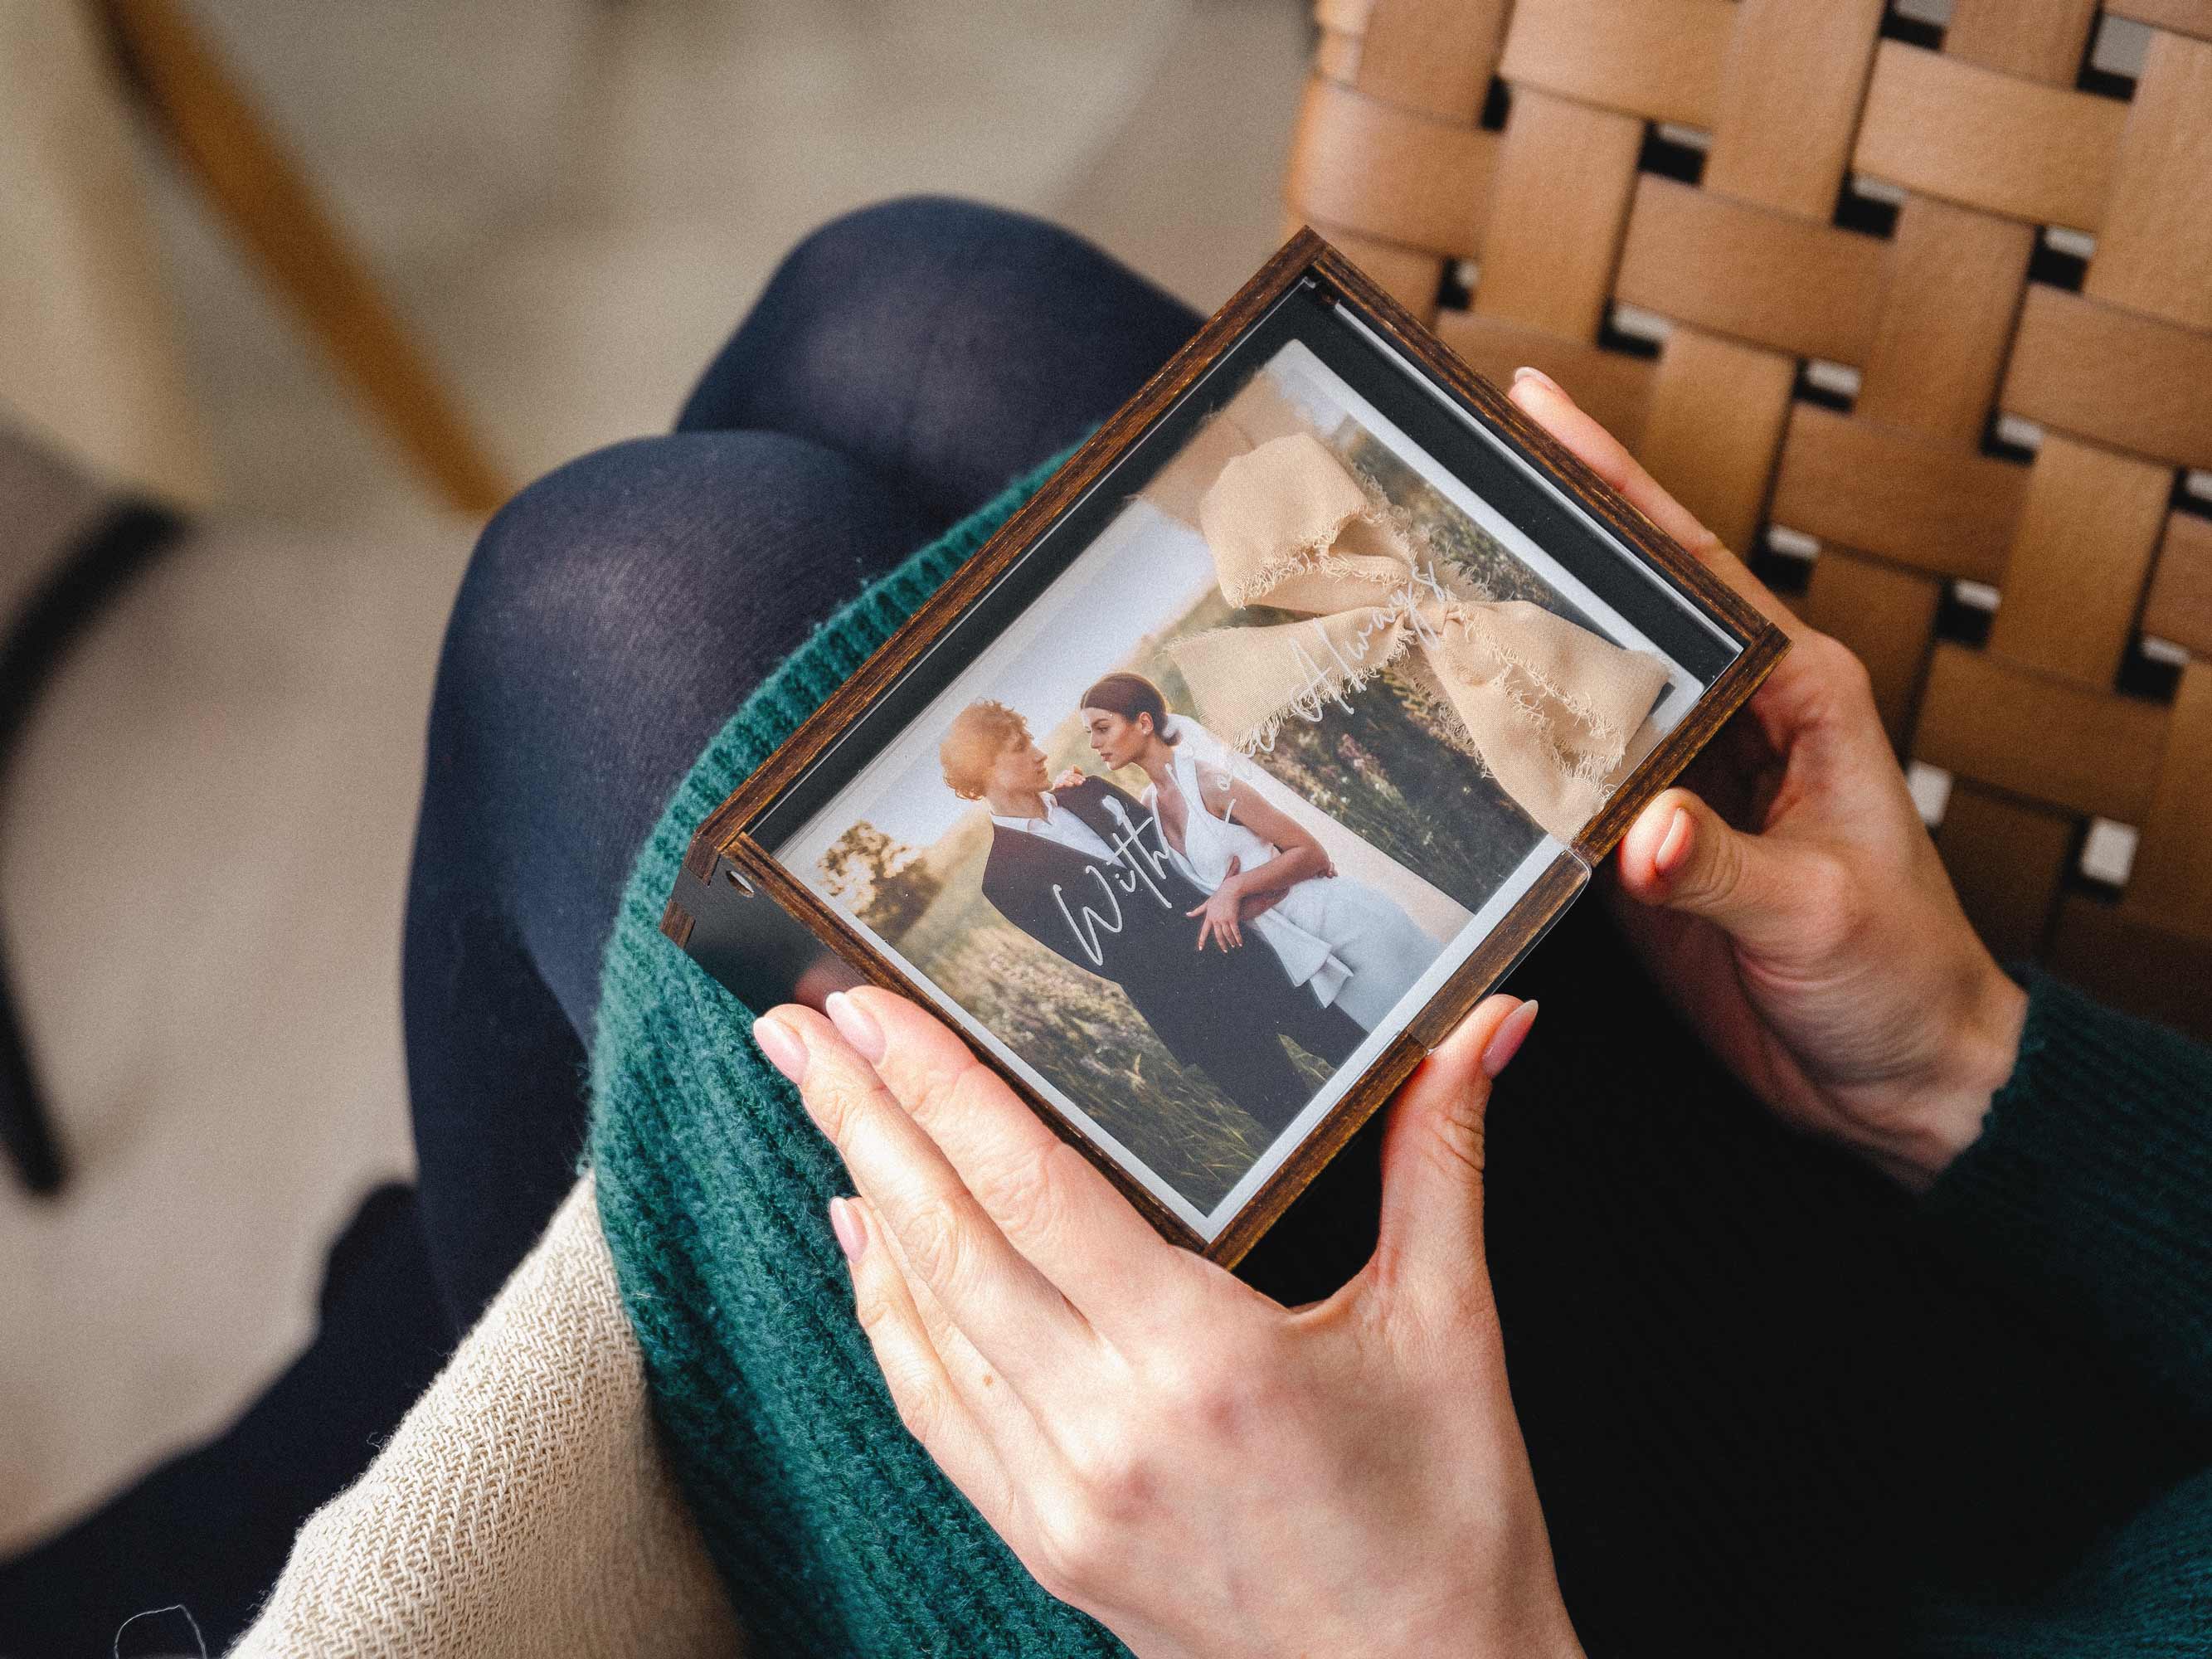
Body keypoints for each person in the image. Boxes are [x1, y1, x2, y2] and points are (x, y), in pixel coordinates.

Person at [406, 198, 2212, 1653]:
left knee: (624, 592)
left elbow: (1218, 865)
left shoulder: (1107, 811)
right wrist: (1966, 1068)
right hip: (2008, 1369)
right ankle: (470, 1316)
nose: (1057, 749)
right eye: (1040, 744)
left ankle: (444, 1353)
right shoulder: (1060, 830)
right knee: (912, 302)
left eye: (1052, 738)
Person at [941, 697, 1364, 1136]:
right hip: (1190, 1011)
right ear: (983, 770)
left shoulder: (1092, 792)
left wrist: (1269, 864)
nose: (1039, 753)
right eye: (1019, 747)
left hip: (1247, 953)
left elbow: (1178, 855)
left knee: (1357, 1052)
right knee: (1298, 1125)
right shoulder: (1004, 880)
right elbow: (1103, 956)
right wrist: (1207, 914)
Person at [1074, 670, 1437, 1031]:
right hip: (1305, 956)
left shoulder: (1209, 783)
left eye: (1102, 728)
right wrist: (1071, 798)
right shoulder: (1149, 806)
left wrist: (1234, 889)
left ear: (1143, 723)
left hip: (1342, 926)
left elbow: (1311, 853)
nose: (1093, 743)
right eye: (1089, 732)